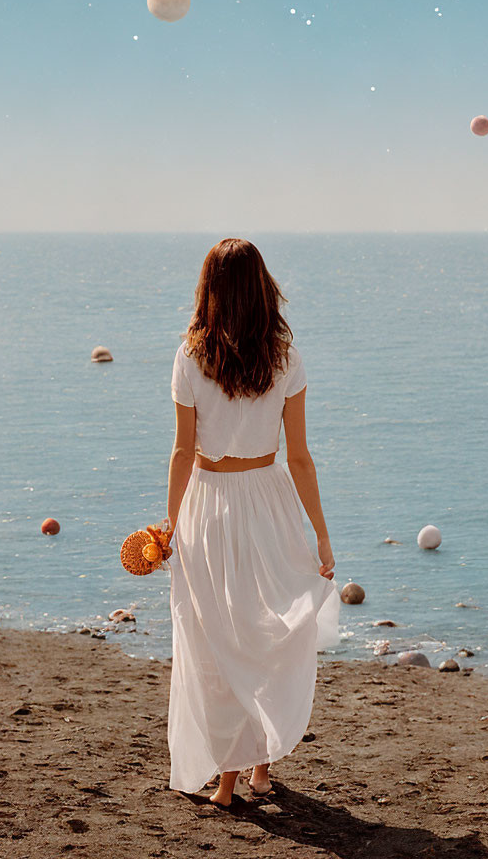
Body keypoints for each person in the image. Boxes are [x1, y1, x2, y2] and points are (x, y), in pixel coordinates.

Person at [165, 237, 340, 808]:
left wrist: (170, 524)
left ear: (209, 290)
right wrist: (319, 531)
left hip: (209, 504)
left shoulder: (191, 355)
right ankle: (257, 770)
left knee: (216, 640)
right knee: (265, 634)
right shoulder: (285, 355)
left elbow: (182, 452)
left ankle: (228, 781)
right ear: (263, 287)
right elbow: (300, 456)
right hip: (269, 500)